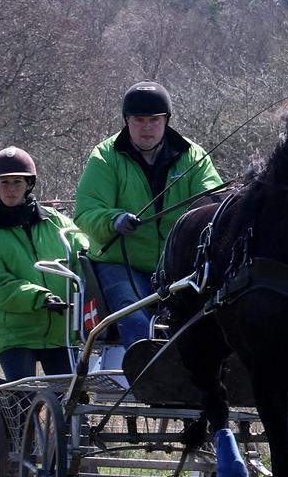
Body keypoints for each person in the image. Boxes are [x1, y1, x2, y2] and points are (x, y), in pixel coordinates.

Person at [74, 81, 223, 349]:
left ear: (166, 120)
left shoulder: (193, 156)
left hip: (180, 265)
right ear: (126, 121)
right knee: (134, 317)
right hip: (120, 263)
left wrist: (211, 206)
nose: (146, 127)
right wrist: (114, 220)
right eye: (138, 120)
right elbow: (86, 212)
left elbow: (213, 201)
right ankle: (147, 381)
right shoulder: (105, 158)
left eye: (154, 120)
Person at [0, 146, 86, 382]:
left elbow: (85, 255)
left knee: (72, 401)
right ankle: (5, 405)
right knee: (23, 402)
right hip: (15, 333)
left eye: (17, 183)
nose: (11, 190)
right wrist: (40, 297)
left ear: (29, 185)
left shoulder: (59, 223)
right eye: (4, 183)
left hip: (60, 332)